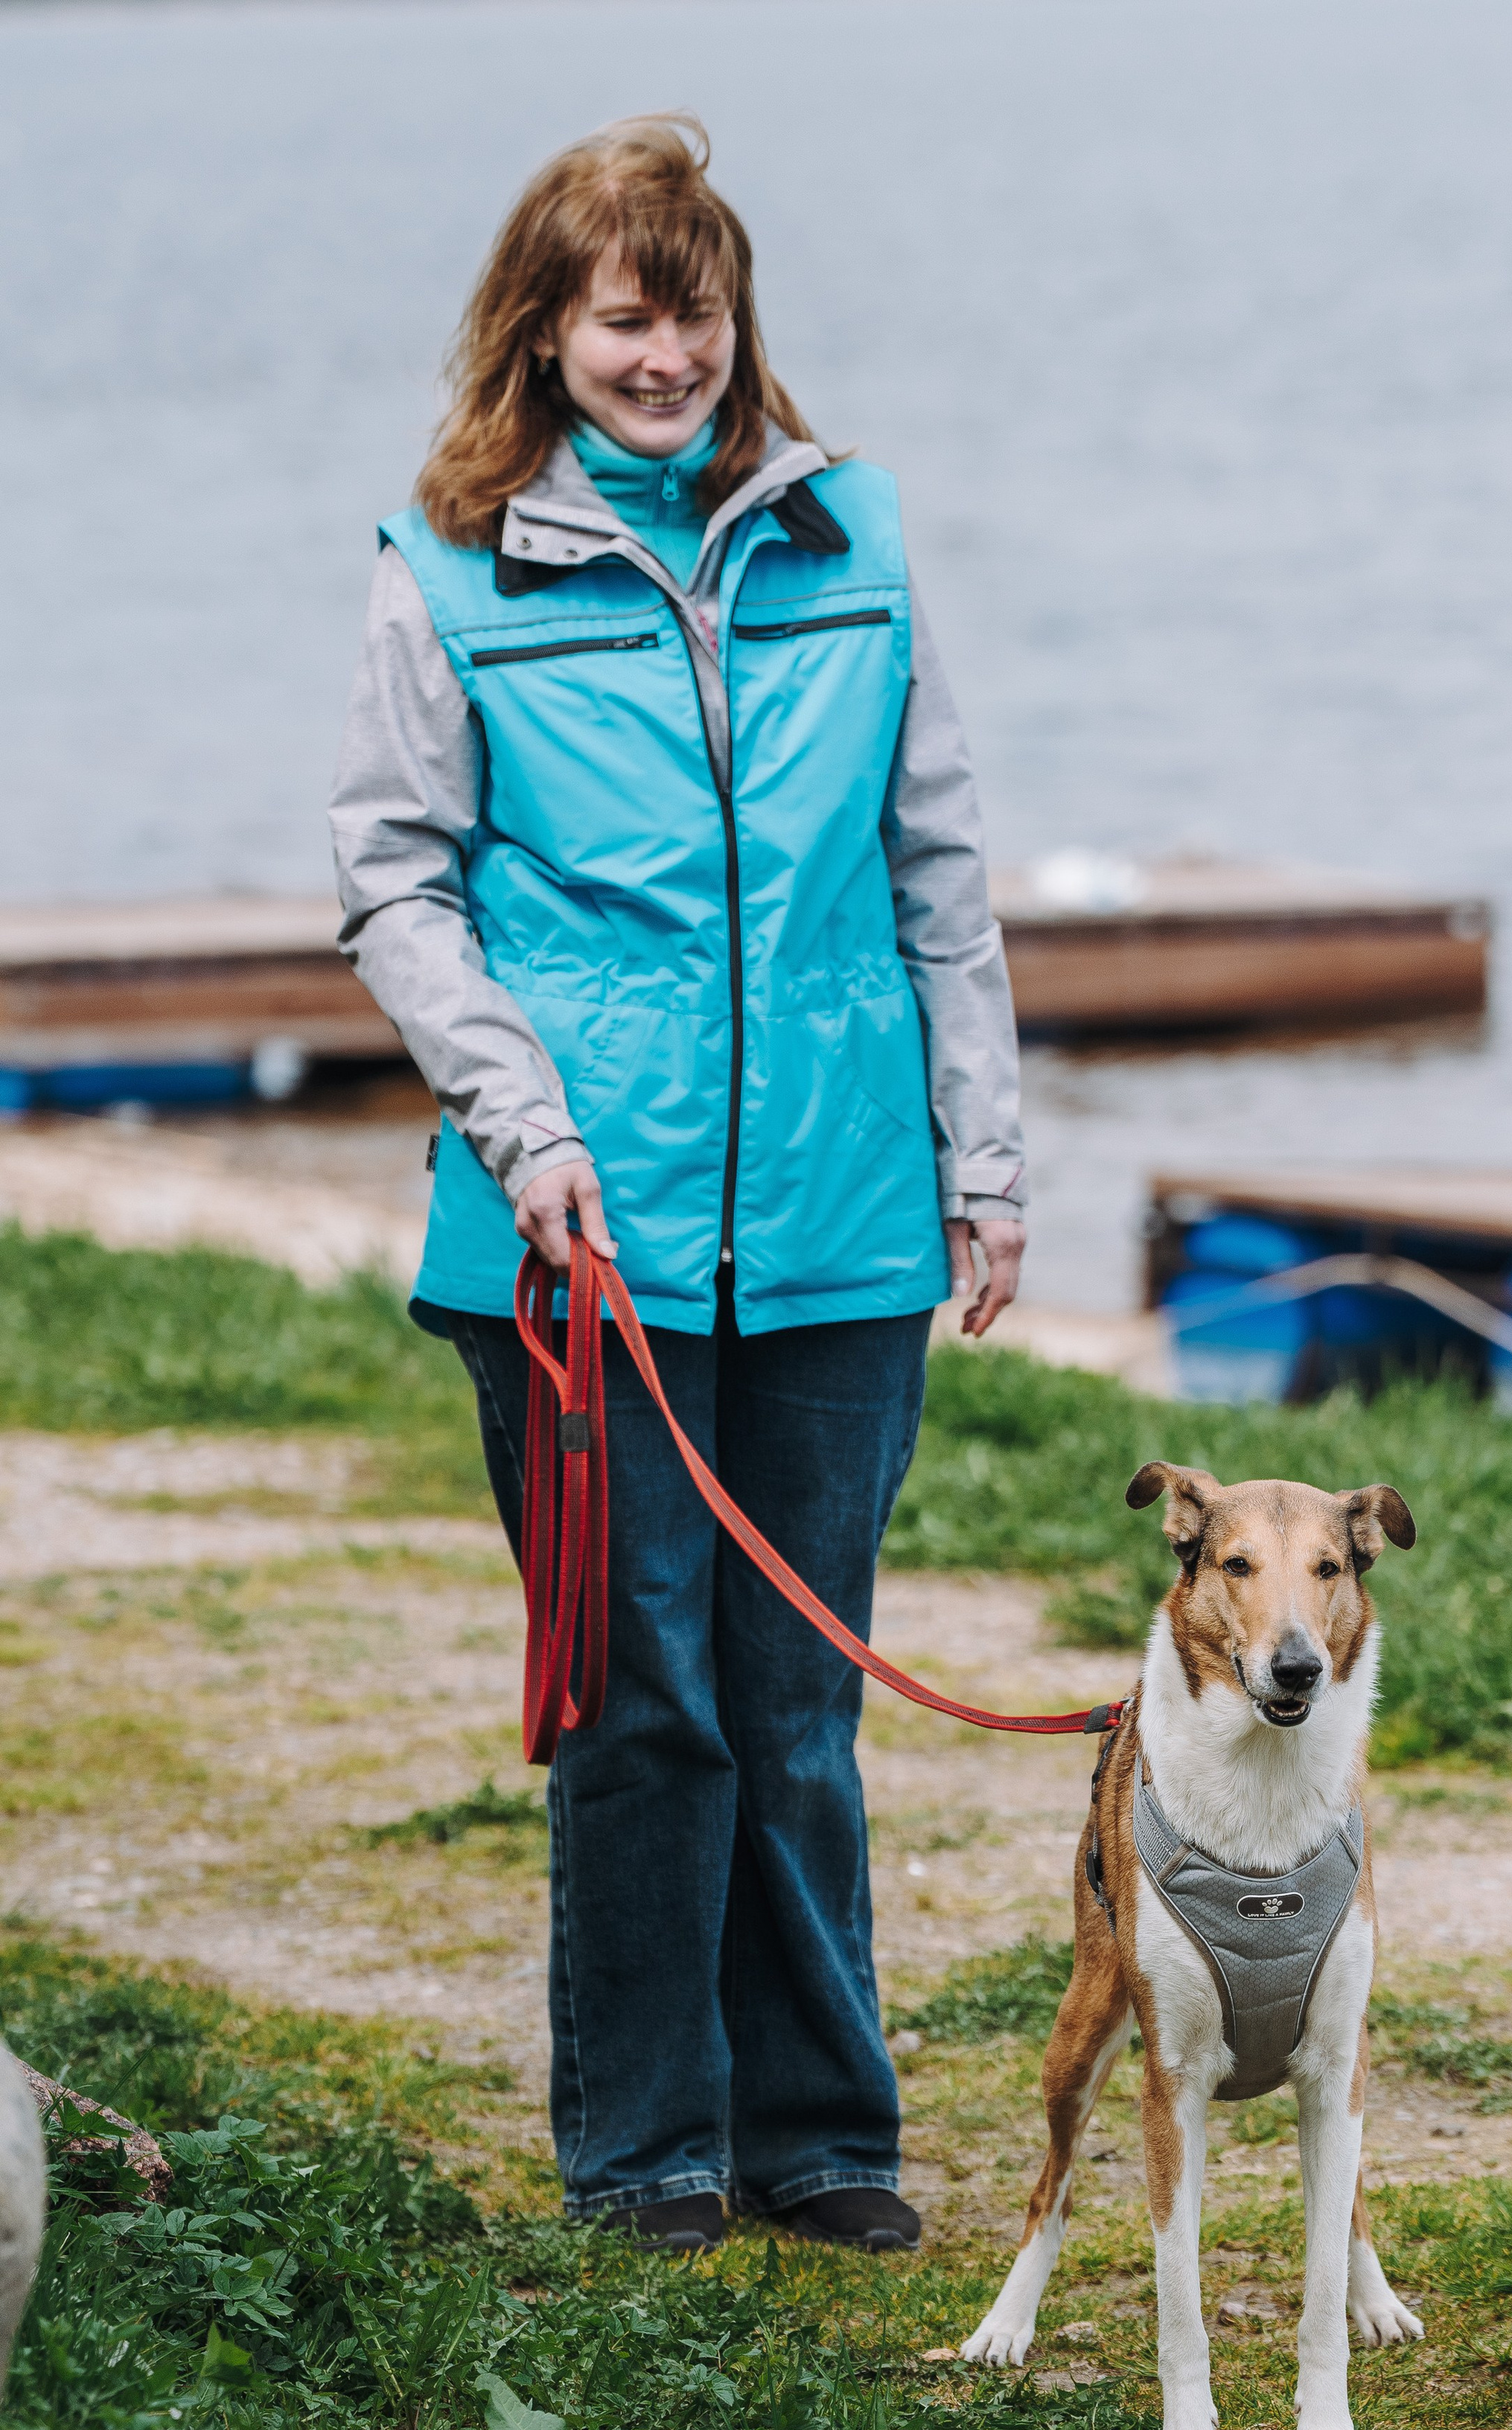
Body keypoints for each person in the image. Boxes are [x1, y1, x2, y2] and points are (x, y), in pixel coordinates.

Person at [330, 114, 1025, 2257]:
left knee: (800, 1704)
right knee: (650, 1707)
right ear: (545, 333)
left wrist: (982, 1161)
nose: (666, 355)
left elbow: (939, 877)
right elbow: (393, 885)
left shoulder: (859, 544)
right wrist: (524, 1128)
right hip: (575, 1251)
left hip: (841, 1232)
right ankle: (645, 2147)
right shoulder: (443, 572)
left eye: (693, 310)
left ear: (738, 321)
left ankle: (821, 2134)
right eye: (623, 316)